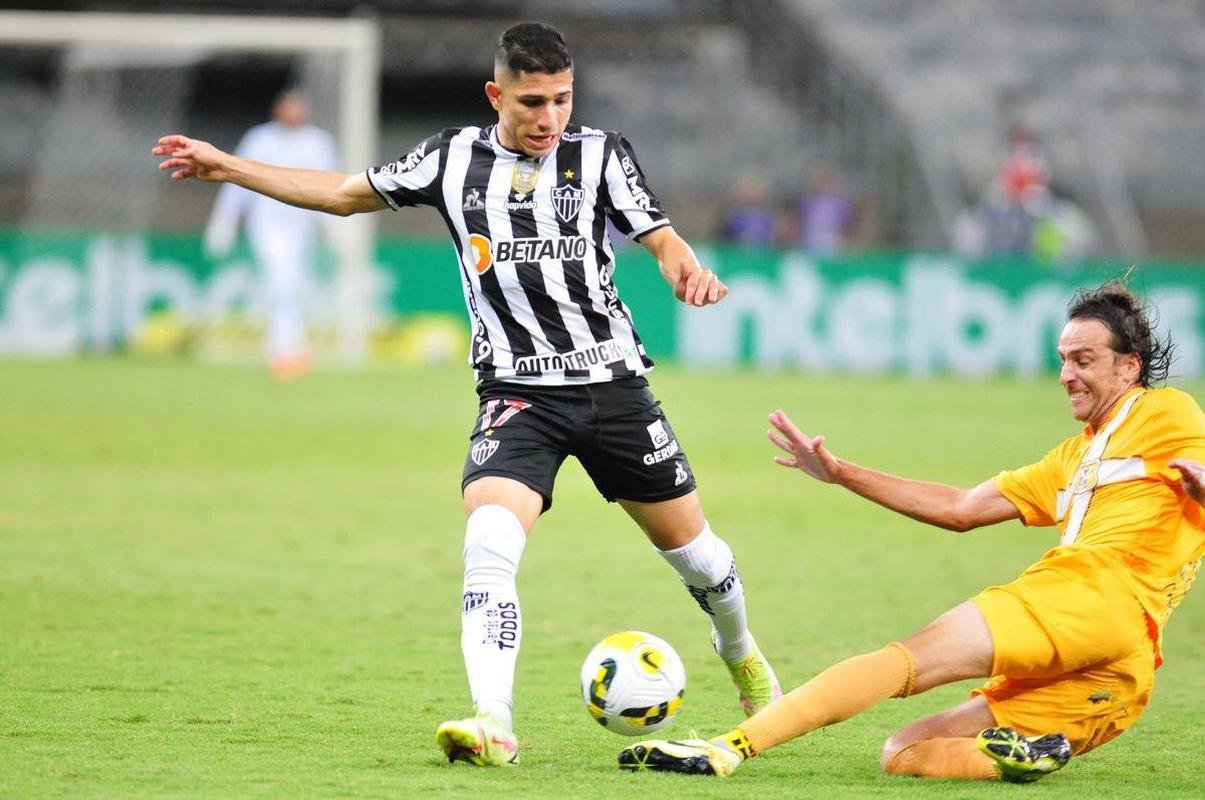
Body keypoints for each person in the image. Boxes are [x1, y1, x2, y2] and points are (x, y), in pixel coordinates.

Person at [153, 22, 780, 767]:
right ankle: (494, 722)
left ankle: (743, 658)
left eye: (562, 100)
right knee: (487, 543)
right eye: (532, 102)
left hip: (613, 389)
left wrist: (684, 269)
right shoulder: (451, 159)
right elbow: (343, 194)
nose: (550, 118)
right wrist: (229, 167)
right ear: (496, 95)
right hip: (518, 397)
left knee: (699, 560)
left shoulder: (600, 154)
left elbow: (662, 238)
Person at [618, 282, 1205, 783]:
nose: (1065, 376)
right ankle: (1013, 758)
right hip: (1121, 666)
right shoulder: (1070, 459)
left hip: (1088, 597)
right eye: (1062, 359)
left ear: (1129, 366)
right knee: (904, 751)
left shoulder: (1164, 412)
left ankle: (729, 747)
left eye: (1083, 360)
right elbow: (959, 507)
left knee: (905, 660)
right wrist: (841, 473)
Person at [203, 89, 339, 380]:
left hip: (302, 228)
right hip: (268, 226)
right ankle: (283, 352)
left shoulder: (317, 143)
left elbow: (332, 185)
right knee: (283, 284)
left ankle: (291, 348)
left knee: (295, 287)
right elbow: (235, 180)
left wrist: (332, 227)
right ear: (278, 109)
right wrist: (223, 222)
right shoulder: (260, 139)